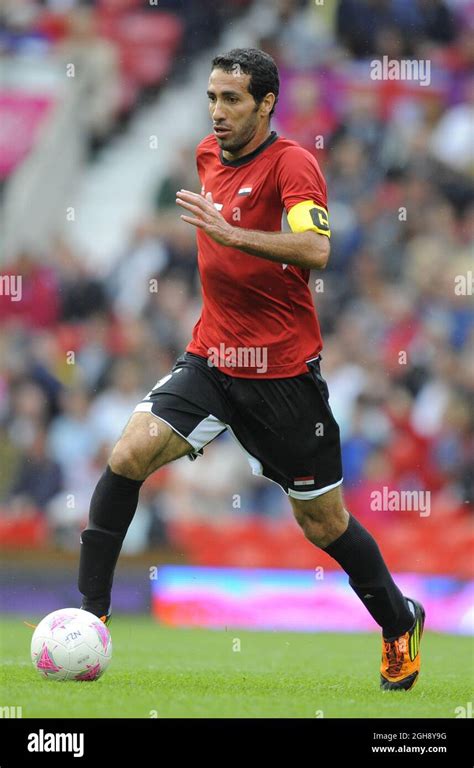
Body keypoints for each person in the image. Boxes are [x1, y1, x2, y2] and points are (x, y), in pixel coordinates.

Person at [78, 48, 425, 691]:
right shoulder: (208, 157)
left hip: (283, 377)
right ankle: (87, 621)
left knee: (322, 523)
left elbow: (316, 248)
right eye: (211, 97)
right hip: (211, 359)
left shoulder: (294, 164)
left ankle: (399, 620)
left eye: (231, 99)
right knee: (128, 454)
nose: (217, 112)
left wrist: (235, 236)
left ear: (266, 104)